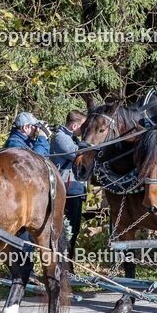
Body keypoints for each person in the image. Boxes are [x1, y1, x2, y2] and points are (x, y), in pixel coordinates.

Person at [51, 110, 88, 261]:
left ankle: (68, 262)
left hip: (75, 189)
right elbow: (78, 155)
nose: (85, 130)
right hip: (67, 190)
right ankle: (61, 262)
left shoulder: (73, 138)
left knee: (74, 229)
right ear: (74, 126)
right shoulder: (61, 137)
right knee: (65, 230)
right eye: (83, 126)